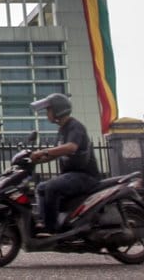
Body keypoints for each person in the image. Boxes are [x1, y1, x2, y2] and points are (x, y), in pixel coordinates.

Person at [29, 93, 100, 235]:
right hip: (71, 175)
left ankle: (51, 228)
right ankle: (44, 221)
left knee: (51, 187)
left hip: (84, 176)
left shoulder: (75, 126)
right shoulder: (62, 130)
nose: (47, 114)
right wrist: (34, 160)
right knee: (41, 188)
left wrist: (43, 151)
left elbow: (71, 147)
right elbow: (56, 153)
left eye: (48, 110)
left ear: (58, 110)